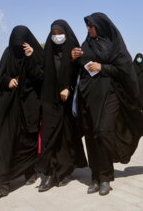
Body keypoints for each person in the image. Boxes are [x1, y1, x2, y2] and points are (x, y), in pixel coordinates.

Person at [72, 12, 143, 196]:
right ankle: (95, 177)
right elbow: (80, 70)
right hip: (89, 97)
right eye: (87, 26)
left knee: (103, 132)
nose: (88, 29)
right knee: (91, 136)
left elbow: (124, 70)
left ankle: (106, 177)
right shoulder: (85, 45)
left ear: (100, 26)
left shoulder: (114, 46)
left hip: (110, 95)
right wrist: (74, 58)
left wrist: (103, 67)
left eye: (91, 26)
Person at [0, 26, 44, 200]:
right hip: (11, 107)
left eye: (21, 45)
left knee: (28, 141)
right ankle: (0, 183)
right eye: (15, 45)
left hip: (31, 107)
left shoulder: (36, 54)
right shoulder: (8, 54)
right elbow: (0, 78)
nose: (19, 49)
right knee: (4, 142)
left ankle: (29, 170)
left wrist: (31, 57)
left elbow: (41, 78)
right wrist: (8, 81)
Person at [36, 20, 87, 192]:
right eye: (54, 33)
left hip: (67, 100)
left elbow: (80, 75)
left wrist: (72, 62)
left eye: (60, 32)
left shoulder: (73, 50)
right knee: (49, 136)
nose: (57, 36)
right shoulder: (48, 51)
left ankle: (65, 170)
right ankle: (49, 173)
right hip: (50, 100)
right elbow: (42, 73)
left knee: (66, 136)